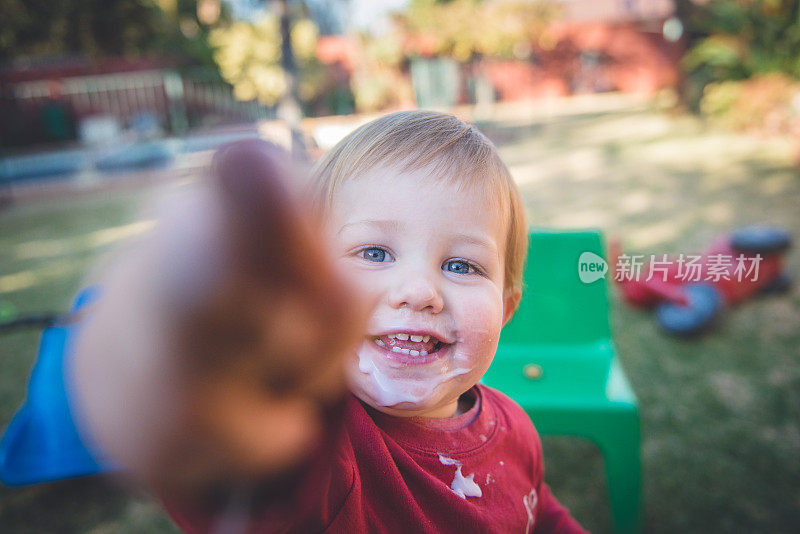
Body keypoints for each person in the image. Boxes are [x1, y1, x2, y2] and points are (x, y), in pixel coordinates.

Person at [72, 111, 587, 533]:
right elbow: (238, 472)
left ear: (508, 307)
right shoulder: (324, 447)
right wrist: (187, 360)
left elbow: (536, 513)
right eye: (375, 252)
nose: (418, 293)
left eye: (461, 265)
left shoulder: (513, 425)